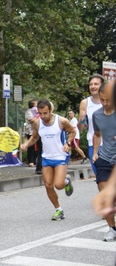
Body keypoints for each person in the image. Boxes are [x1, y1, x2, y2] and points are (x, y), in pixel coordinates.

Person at [20, 99, 76, 221]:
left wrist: (68, 142)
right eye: (40, 113)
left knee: (59, 184)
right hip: (46, 157)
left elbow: (73, 131)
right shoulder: (37, 123)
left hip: (61, 156)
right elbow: (34, 138)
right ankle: (58, 210)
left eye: (45, 113)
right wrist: (26, 144)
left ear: (51, 110)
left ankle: (66, 181)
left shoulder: (61, 121)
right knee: (48, 185)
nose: (43, 116)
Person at [92, 80, 116, 241]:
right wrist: (95, 152)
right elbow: (98, 134)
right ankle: (112, 228)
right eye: (102, 100)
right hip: (105, 157)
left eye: (108, 100)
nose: (105, 103)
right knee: (103, 189)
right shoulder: (97, 115)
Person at [78, 74, 105, 177]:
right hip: (93, 144)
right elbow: (81, 128)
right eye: (91, 84)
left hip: (110, 143)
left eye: (96, 84)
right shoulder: (85, 102)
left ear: (102, 86)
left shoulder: (111, 100)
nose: (93, 86)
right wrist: (81, 119)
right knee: (99, 177)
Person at [25, 100, 38, 167]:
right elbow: (32, 119)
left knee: (37, 146)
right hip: (30, 131)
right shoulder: (29, 111)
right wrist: (38, 117)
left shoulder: (37, 111)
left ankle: (36, 160)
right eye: (36, 104)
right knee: (31, 146)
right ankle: (31, 161)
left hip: (37, 131)